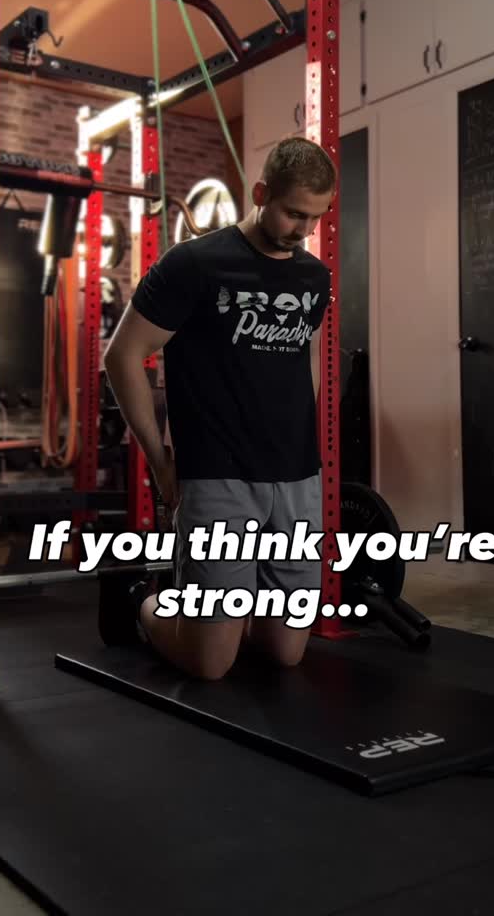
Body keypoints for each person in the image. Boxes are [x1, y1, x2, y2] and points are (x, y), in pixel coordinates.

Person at [101, 136, 336, 680]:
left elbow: (308, 360)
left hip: (296, 476)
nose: (304, 230)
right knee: (210, 666)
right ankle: (141, 600)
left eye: (315, 218)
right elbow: (123, 355)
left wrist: (304, 442)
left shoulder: (313, 277)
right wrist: (161, 461)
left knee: (285, 653)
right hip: (218, 474)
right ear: (260, 194)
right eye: (293, 213)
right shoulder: (195, 264)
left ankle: (227, 614)